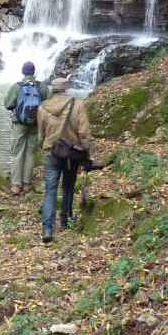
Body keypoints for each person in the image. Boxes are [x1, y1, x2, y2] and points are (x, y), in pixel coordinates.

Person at [37, 77, 93, 244]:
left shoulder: (42, 108)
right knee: (68, 186)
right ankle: (65, 221)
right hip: (71, 154)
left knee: (50, 190)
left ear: (52, 90)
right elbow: (84, 133)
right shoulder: (77, 105)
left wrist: (46, 145)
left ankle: (47, 228)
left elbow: (41, 134)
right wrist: (87, 152)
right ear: (66, 89)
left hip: (51, 153)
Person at [2, 60, 45, 195]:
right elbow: (47, 103)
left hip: (19, 124)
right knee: (30, 152)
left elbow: (8, 104)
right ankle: (27, 184)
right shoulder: (41, 86)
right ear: (34, 72)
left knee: (17, 152)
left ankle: (16, 185)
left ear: (23, 72)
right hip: (35, 123)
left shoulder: (17, 86)